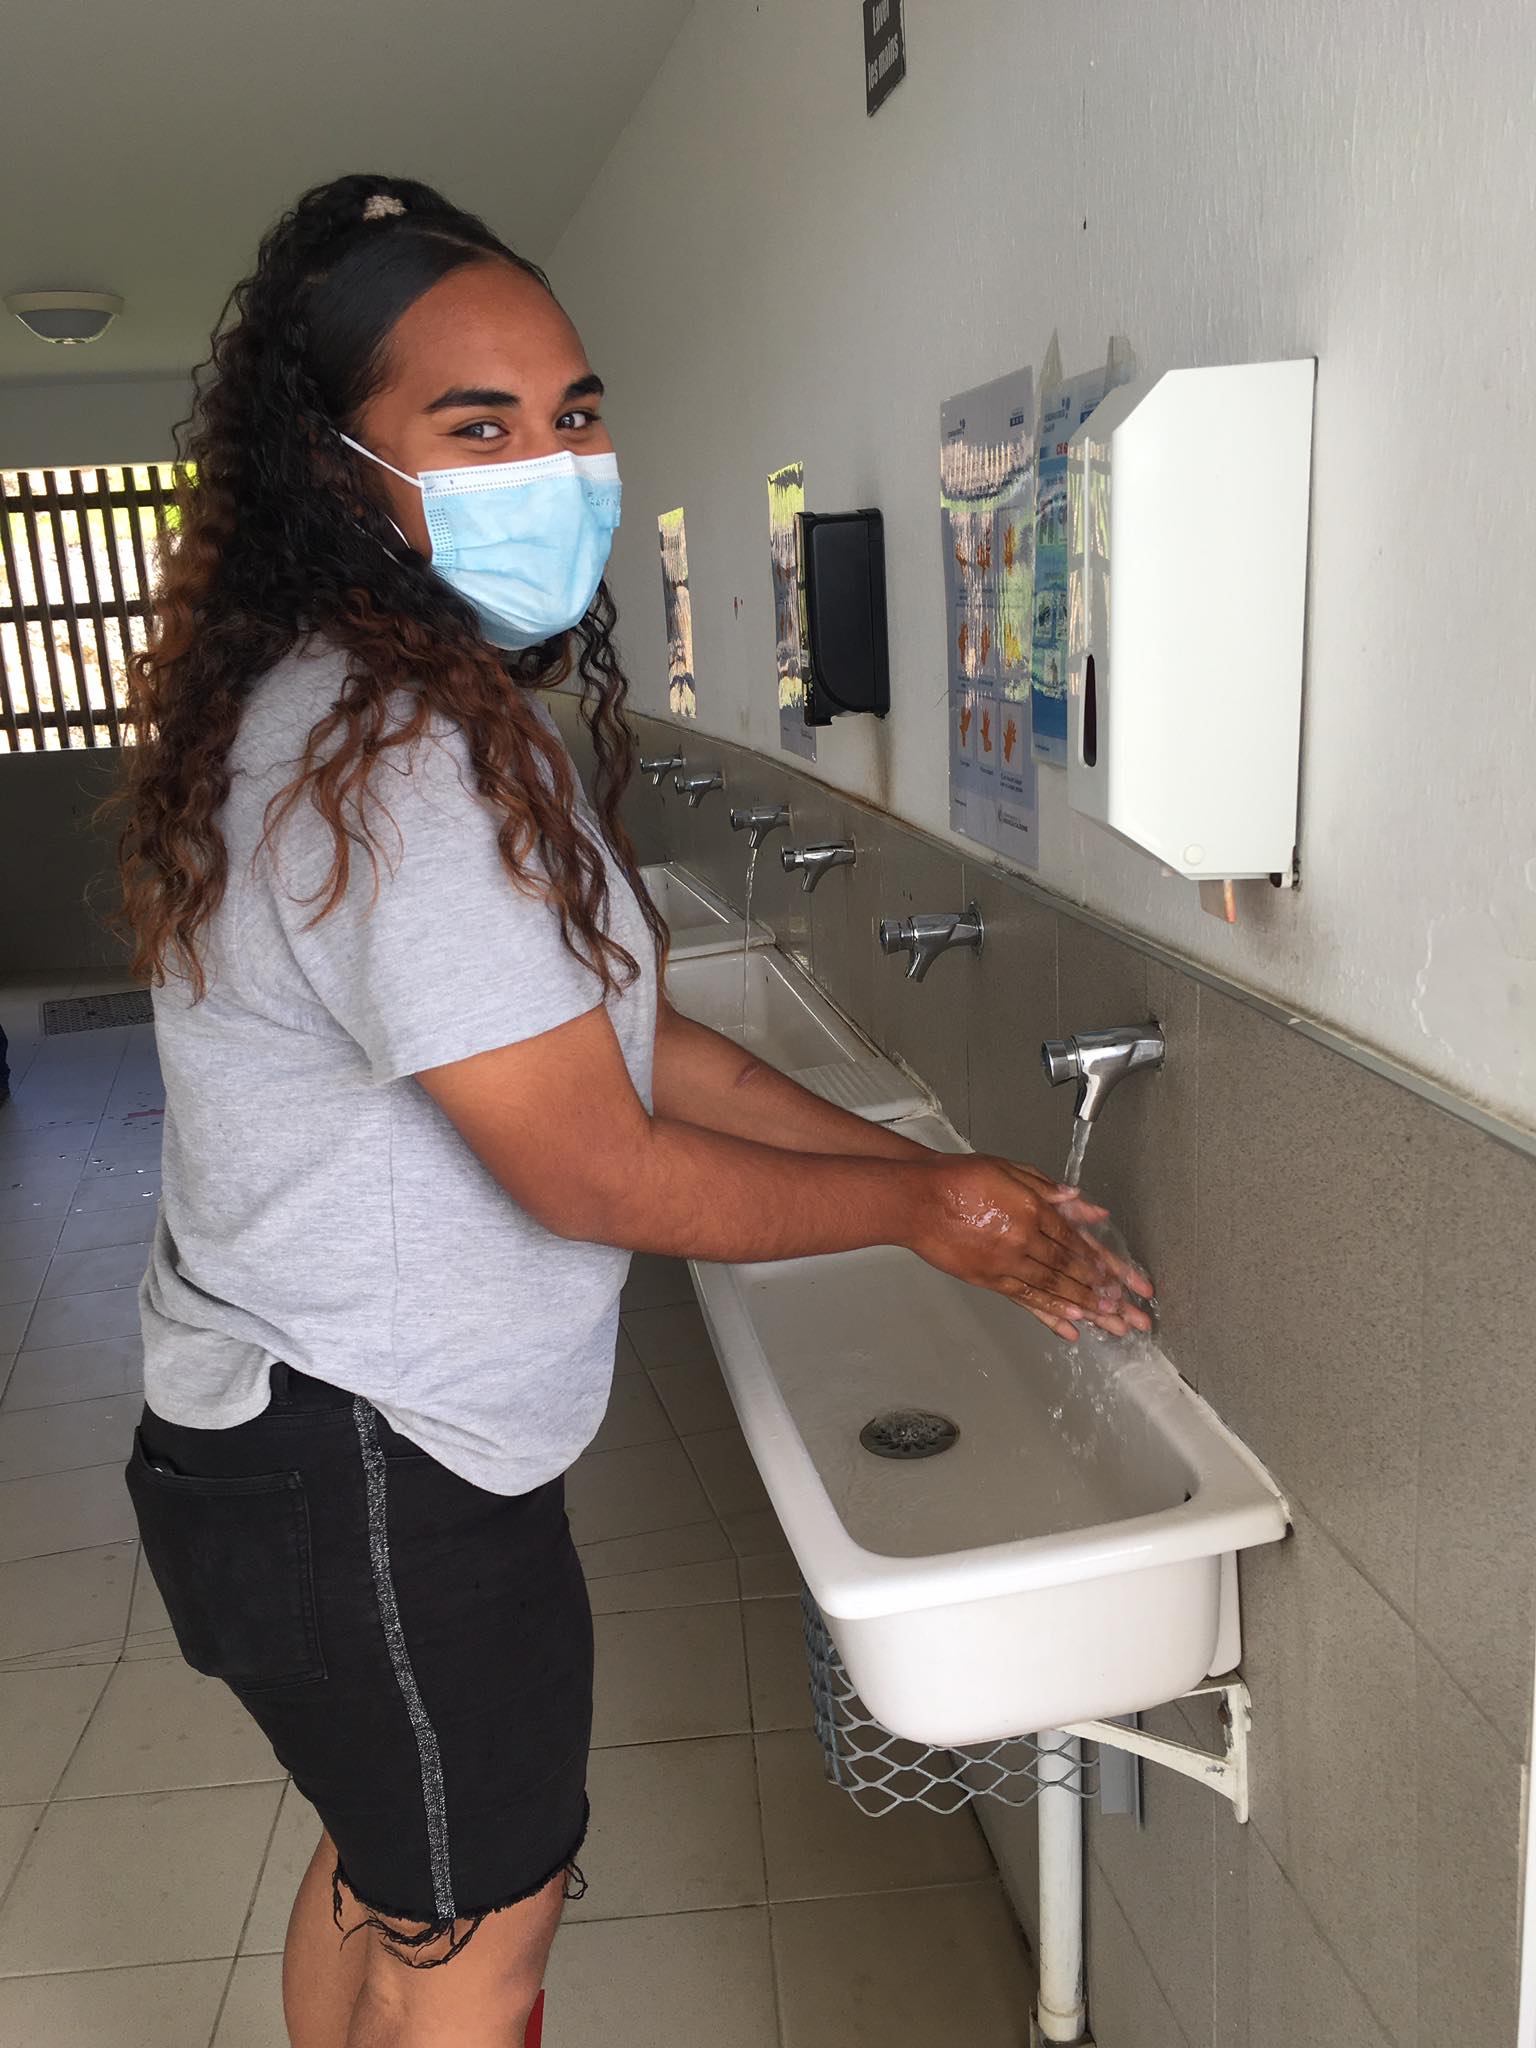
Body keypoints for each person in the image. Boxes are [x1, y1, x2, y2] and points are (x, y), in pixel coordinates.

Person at [114, 173, 1151, 2048]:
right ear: (339, 469)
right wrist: (919, 1216)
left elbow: (641, 1045)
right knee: (479, 1943)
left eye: (574, 412)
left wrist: (930, 1176)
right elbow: (596, 1167)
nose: (555, 465)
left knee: (393, 1871)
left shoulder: (366, 709)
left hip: (294, 1437)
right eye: (477, 427)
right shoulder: (398, 757)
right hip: (372, 1463)